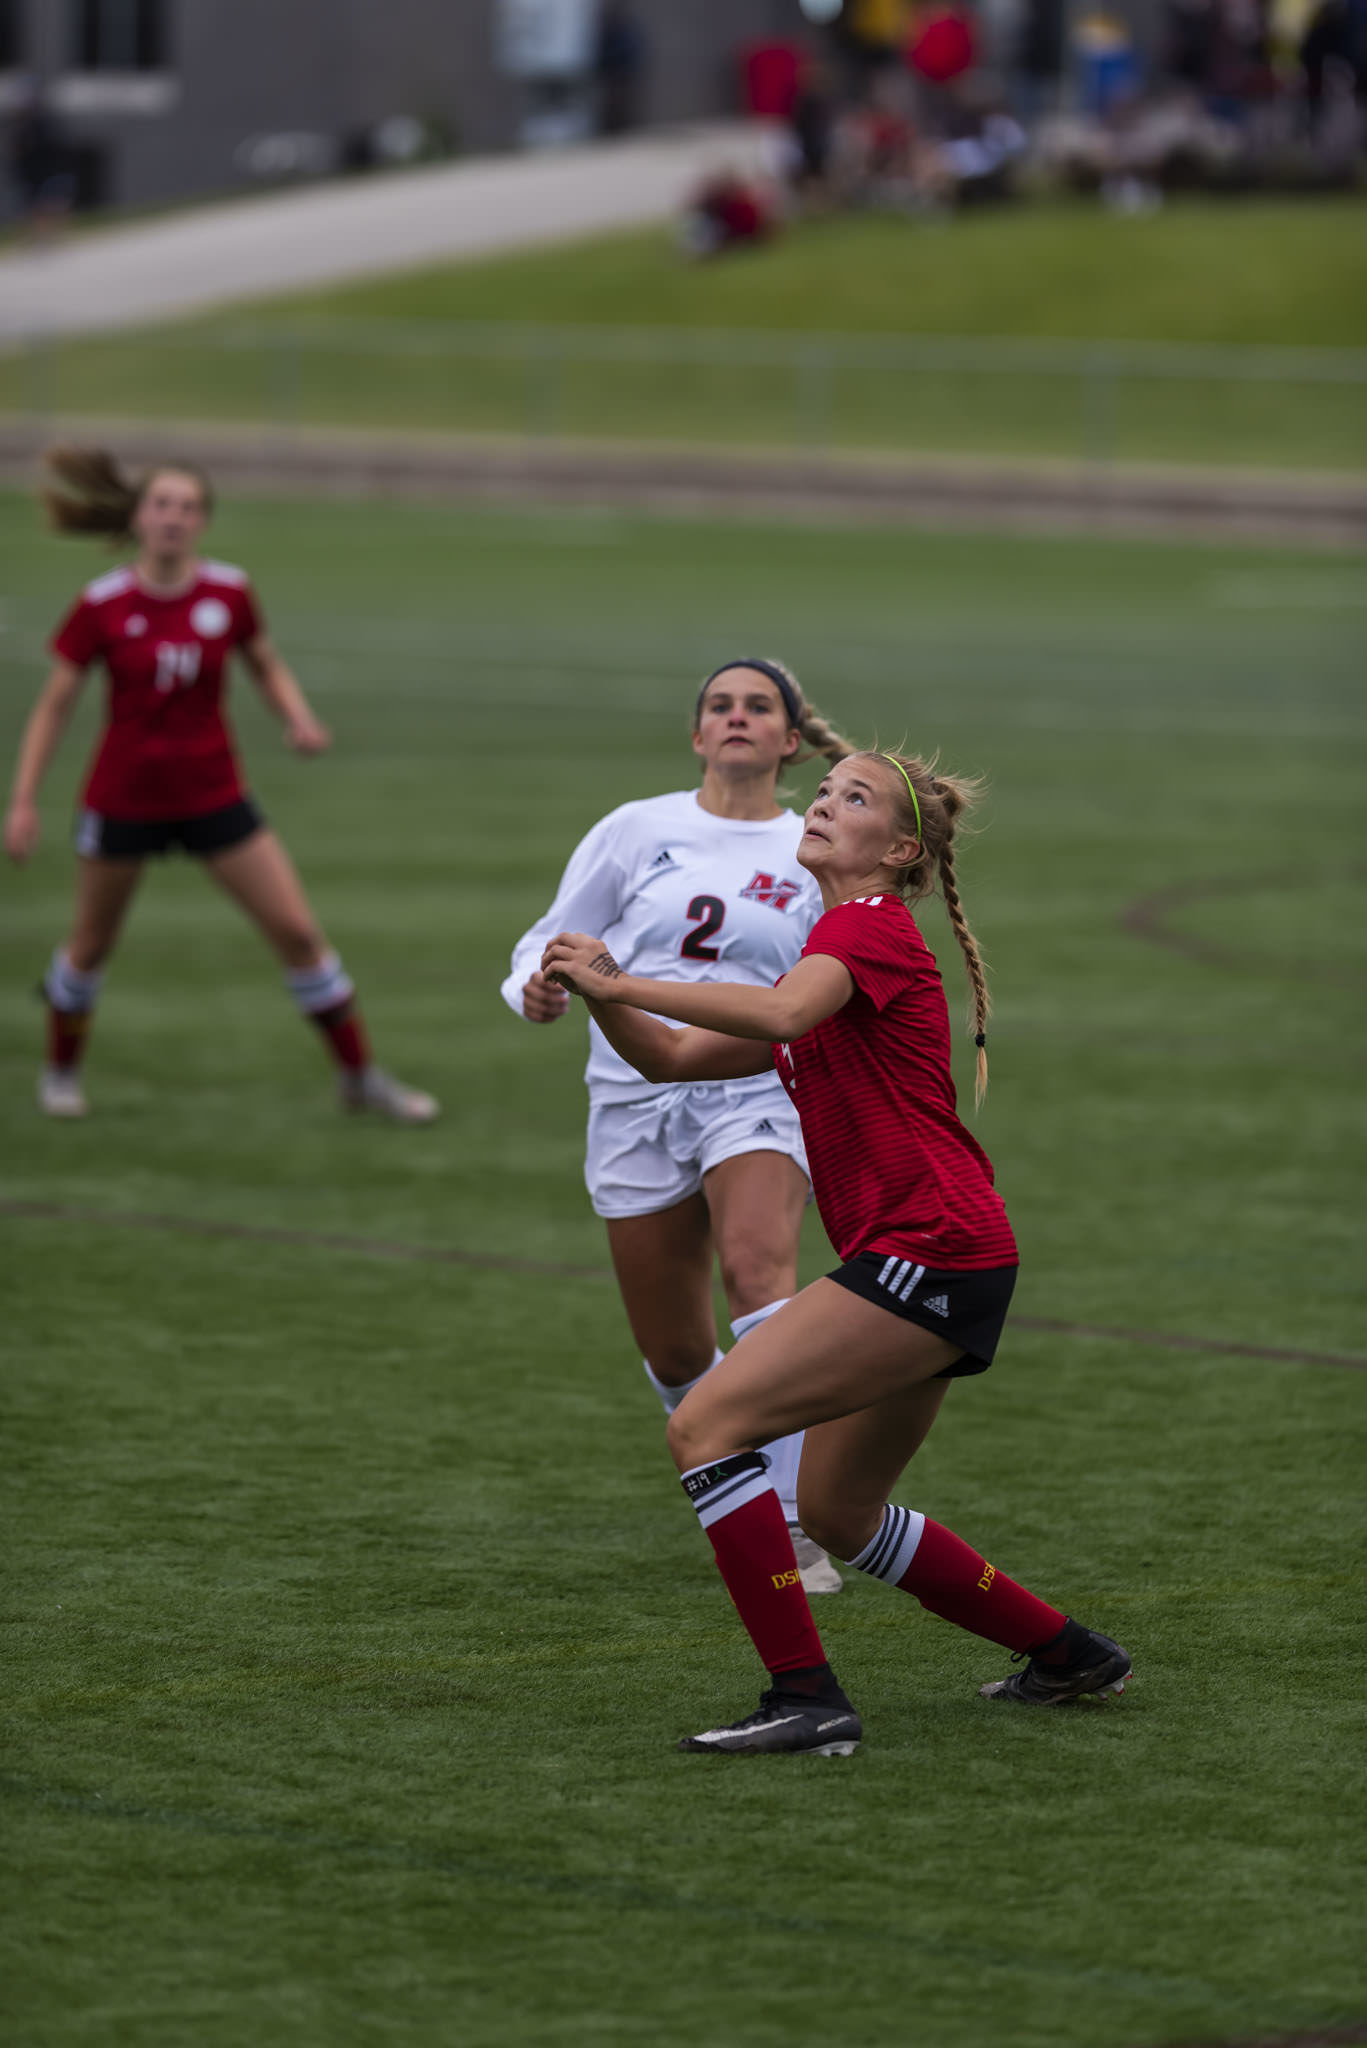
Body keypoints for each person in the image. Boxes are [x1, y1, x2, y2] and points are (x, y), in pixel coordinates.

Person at [542, 748, 1130, 1755]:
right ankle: (1069, 1651)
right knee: (837, 1508)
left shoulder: (862, 931)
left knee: (706, 1426)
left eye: (849, 797)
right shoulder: (830, 952)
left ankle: (803, 1695)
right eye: (821, 791)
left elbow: (776, 1011)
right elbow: (677, 1058)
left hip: (930, 1249)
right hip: (950, 1252)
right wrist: (601, 995)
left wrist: (621, 972)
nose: (819, 802)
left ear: (897, 848)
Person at [502, 659, 857, 1595]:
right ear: (697, 734)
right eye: (718, 706)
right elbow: (548, 937)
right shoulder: (636, 828)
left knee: (754, 1272)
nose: (736, 717)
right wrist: (535, 986)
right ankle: (734, 1475)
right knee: (673, 1350)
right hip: (631, 1093)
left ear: (790, 741)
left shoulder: (810, 847)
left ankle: (791, 1523)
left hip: (754, 1085)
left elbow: (842, 966)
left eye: (758, 707)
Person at [4, 447, 438, 1126]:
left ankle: (359, 1079)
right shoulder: (102, 604)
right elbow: (55, 705)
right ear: (140, 517)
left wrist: (297, 719)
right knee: (89, 945)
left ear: (203, 520)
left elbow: (264, 664)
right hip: (123, 800)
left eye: (187, 507)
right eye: (162, 505)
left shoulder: (229, 593)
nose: (173, 518)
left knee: (297, 933)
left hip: (214, 795)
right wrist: (23, 800)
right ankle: (61, 1072)